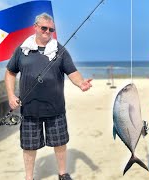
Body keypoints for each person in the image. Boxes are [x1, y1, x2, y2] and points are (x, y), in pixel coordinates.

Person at [5, 13, 92, 180]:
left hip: (55, 107)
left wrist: (81, 83)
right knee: (29, 146)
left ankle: (62, 173)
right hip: (29, 108)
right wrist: (10, 95)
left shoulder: (60, 50)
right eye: (44, 28)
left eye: (51, 29)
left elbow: (72, 72)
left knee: (60, 143)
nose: (47, 31)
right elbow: (10, 72)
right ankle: (29, 177)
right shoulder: (22, 49)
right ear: (36, 27)